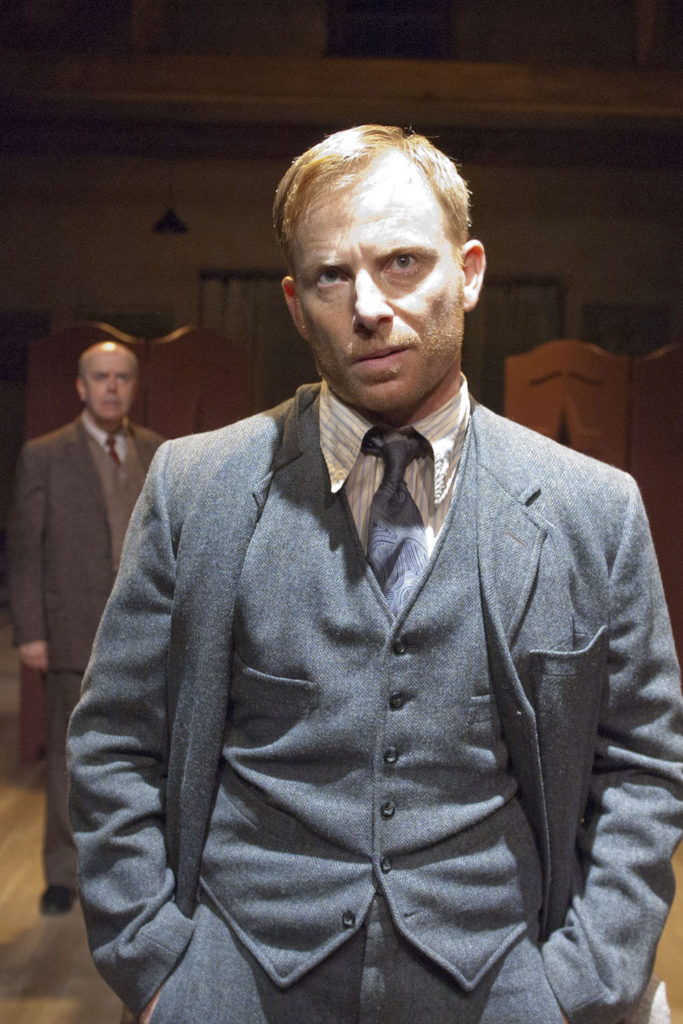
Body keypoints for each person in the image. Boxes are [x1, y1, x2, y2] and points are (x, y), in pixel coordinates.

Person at [68, 127, 683, 1024]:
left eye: (401, 263)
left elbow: (641, 762)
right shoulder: (197, 488)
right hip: (234, 971)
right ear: (294, 302)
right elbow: (114, 740)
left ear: (467, 272)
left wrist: (584, 981)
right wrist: (155, 963)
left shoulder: (592, 508)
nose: (367, 306)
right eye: (330, 275)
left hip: (507, 976)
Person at [8, 341, 163, 915]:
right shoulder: (45, 455)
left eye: (122, 376)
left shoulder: (159, 453)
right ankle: (61, 872)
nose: (111, 387)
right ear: (81, 386)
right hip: (71, 631)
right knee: (70, 760)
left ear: (134, 385)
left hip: (145, 634)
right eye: (100, 376)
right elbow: (26, 550)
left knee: (145, 754)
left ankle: (136, 869)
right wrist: (31, 632)